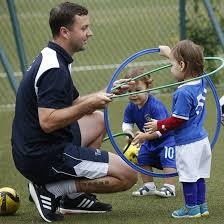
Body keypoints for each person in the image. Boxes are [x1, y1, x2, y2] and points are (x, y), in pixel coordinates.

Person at [11, 2, 137, 223]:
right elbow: (47, 122)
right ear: (65, 32)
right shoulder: (54, 70)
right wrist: (88, 106)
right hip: (43, 154)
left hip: (34, 147)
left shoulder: (54, 55)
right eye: (84, 28)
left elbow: (75, 101)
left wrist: (109, 90)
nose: (90, 33)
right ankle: (52, 190)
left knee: (97, 120)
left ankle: (73, 198)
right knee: (128, 176)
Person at [145, 40, 211, 218]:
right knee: (198, 175)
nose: (170, 67)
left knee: (188, 177)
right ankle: (201, 206)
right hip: (202, 140)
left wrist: (158, 125)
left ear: (182, 65)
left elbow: (177, 120)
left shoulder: (182, 92)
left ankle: (191, 208)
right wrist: (169, 53)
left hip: (188, 143)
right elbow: (191, 65)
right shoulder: (202, 81)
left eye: (172, 64)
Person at [122, 67, 176, 198]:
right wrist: (128, 133)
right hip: (148, 140)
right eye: (129, 91)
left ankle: (170, 187)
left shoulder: (155, 106)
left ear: (149, 87)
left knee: (167, 159)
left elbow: (163, 129)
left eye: (138, 90)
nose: (133, 94)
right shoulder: (130, 107)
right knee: (142, 158)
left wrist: (144, 136)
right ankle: (149, 186)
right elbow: (127, 123)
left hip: (166, 139)